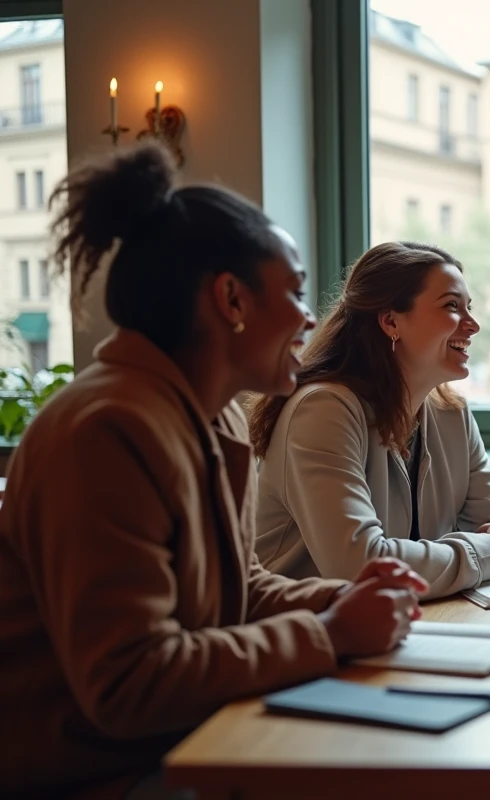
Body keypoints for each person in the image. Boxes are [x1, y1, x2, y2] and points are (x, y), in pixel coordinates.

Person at [0, 142, 428, 799]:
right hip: (96, 775)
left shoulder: (212, 417)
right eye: (296, 290)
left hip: (188, 742)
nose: (311, 317)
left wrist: (334, 597)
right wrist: (327, 634)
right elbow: (128, 683)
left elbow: (234, 587)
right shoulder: (105, 430)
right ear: (231, 299)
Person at [248, 241, 490, 599]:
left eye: (470, 308)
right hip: (301, 635)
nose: (473, 325)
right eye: (451, 306)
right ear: (390, 321)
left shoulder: (453, 414)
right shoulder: (323, 410)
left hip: (414, 624)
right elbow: (361, 567)